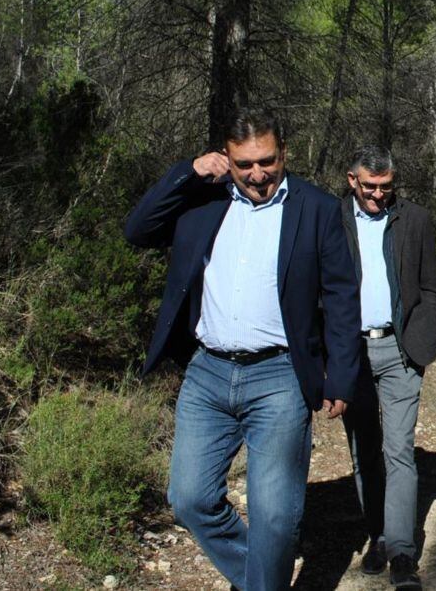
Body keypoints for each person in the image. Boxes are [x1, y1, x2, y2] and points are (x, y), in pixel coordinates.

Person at [124, 109, 361, 591]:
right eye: (244, 164)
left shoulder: (315, 207)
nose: (257, 174)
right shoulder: (201, 201)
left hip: (278, 378)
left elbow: (340, 296)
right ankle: (261, 578)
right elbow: (138, 230)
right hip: (207, 372)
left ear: (283, 153)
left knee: (275, 517)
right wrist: (187, 173)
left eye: (267, 161)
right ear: (226, 159)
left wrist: (340, 375)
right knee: (189, 498)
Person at [339, 146, 436, 591]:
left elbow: (431, 288)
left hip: (399, 352)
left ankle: (402, 550)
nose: (378, 196)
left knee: (398, 450)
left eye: (386, 187)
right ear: (352, 181)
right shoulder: (332, 218)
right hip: (351, 354)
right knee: (364, 451)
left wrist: (421, 339)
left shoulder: (414, 219)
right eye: (370, 187)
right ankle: (377, 537)